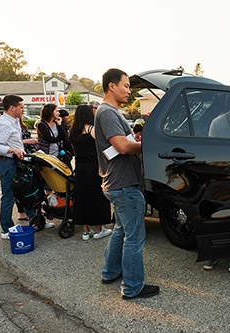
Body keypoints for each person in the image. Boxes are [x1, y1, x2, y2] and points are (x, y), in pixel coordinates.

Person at [94, 68, 159, 300]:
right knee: (134, 236)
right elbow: (121, 146)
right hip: (124, 185)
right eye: (126, 86)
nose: (129, 91)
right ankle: (132, 287)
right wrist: (148, 145)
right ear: (112, 86)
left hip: (117, 184)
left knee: (121, 231)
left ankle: (110, 272)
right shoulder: (108, 113)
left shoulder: (110, 112)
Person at [0, 95, 50, 240]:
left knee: (25, 192)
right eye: (21, 107)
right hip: (6, 163)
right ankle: (6, 230)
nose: (23, 110)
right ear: (12, 108)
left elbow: (13, 140)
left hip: (16, 162)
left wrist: (22, 146)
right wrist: (13, 150)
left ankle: (36, 220)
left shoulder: (14, 121)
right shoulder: (3, 123)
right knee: (9, 197)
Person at [68, 104, 112, 241]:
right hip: (94, 167)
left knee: (82, 198)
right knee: (98, 197)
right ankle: (99, 229)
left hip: (80, 168)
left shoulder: (72, 132)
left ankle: (86, 231)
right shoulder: (93, 130)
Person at [16, 117, 39, 221]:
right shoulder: (9, 125)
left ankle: (31, 212)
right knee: (21, 186)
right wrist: (28, 141)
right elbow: (13, 142)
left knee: (28, 185)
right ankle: (24, 213)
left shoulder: (21, 125)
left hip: (28, 155)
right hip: (20, 156)